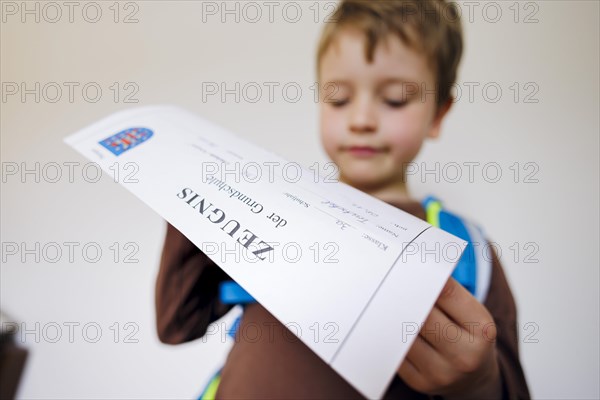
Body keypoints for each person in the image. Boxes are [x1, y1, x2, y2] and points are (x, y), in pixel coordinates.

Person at [155, 0, 530, 398]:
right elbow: (178, 325)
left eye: (395, 99)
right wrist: (189, 201)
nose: (361, 119)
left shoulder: (469, 254)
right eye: (338, 99)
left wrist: (480, 380)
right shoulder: (266, 212)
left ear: (438, 113)